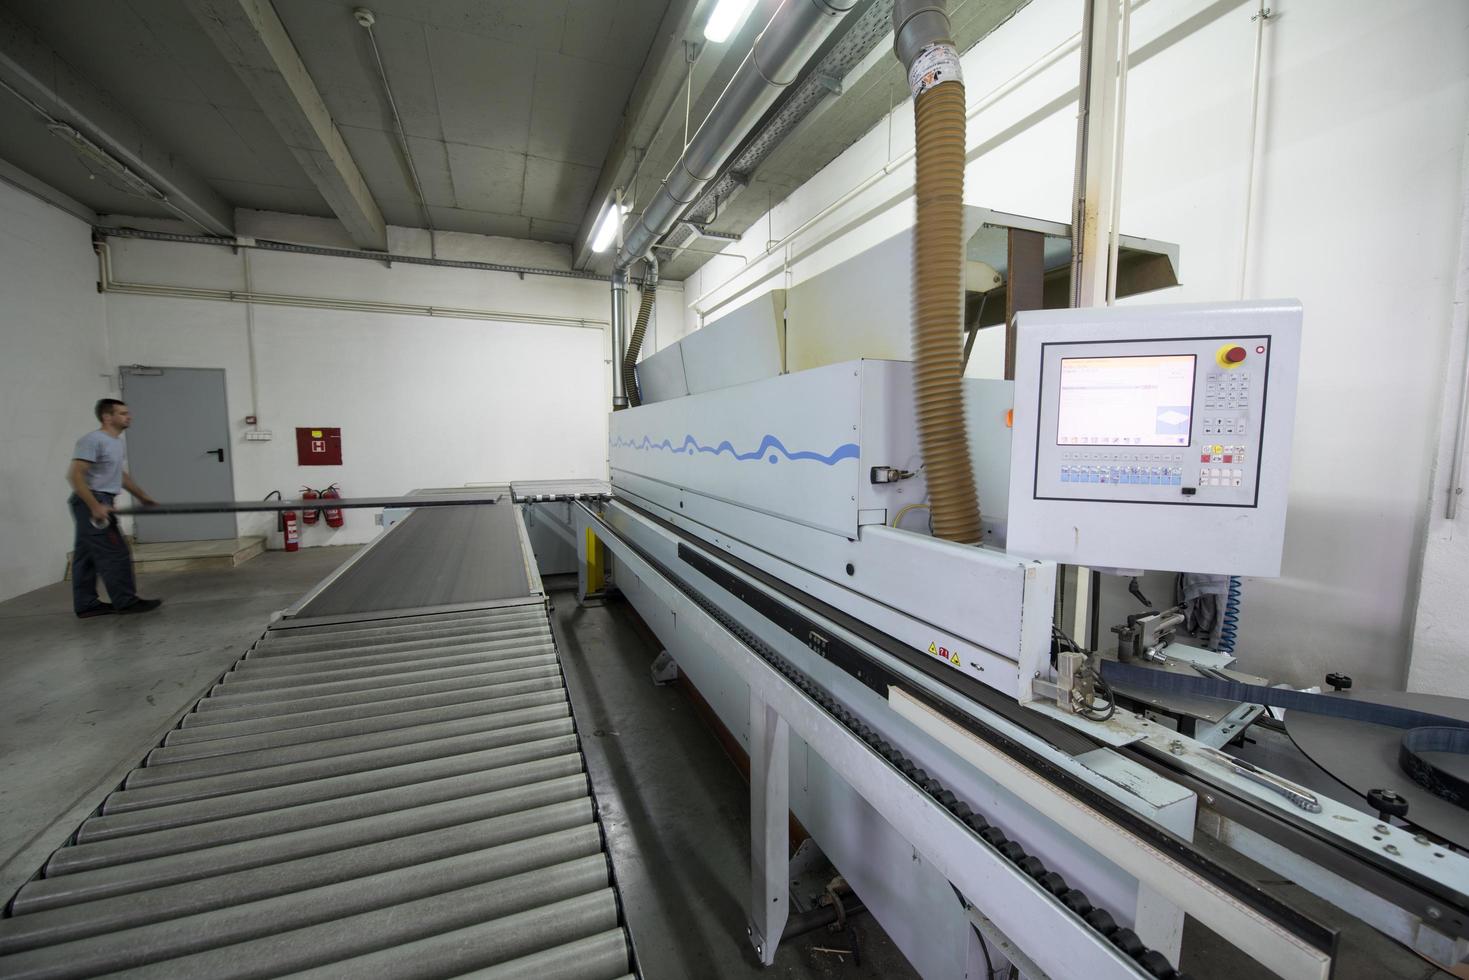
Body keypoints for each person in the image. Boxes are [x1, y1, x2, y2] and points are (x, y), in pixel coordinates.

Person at [67, 398, 163, 617]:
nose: (129, 417)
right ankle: (126, 602)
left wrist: (143, 497)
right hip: (92, 502)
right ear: (107, 417)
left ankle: (86, 604)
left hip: (101, 500)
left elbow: (118, 475)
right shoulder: (93, 440)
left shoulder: (116, 442)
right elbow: (75, 475)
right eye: (122, 413)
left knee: (87, 556)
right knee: (115, 553)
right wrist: (95, 506)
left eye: (127, 413)